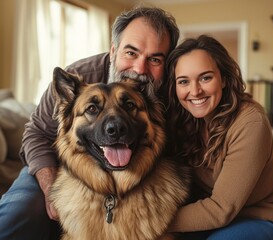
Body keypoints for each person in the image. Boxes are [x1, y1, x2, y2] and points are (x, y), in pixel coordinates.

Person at [0, 6, 179, 240]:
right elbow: (36, 133)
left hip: (138, 177)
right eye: (131, 53)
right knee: (16, 216)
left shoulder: (175, 90)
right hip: (60, 170)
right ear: (114, 50)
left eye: (155, 59)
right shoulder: (78, 74)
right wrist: (51, 190)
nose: (139, 69)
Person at [163, 35, 273, 240]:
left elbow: (222, 209)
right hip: (206, 214)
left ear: (223, 78)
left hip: (258, 219)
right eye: (183, 81)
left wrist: (149, 222)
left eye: (205, 77)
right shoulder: (183, 118)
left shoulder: (250, 123)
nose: (194, 91)